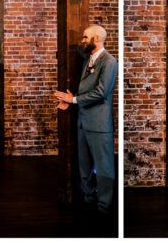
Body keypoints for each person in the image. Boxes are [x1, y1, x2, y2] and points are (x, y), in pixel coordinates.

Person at [53, 25, 118, 215]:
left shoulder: (110, 62)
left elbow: (101, 92)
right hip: (83, 121)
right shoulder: (88, 59)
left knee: (104, 168)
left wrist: (73, 100)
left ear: (97, 38)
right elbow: (85, 88)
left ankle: (104, 206)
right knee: (84, 166)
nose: (82, 41)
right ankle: (89, 200)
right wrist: (70, 100)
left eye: (85, 37)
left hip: (99, 123)